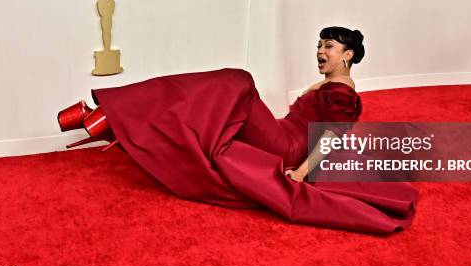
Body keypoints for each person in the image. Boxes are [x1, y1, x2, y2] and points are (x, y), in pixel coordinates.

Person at [57, 27, 419, 234]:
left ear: (349, 55)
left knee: (238, 81)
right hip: (281, 132)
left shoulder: (342, 95)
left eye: (329, 46)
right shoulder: (329, 87)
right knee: (214, 106)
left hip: (288, 147)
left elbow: (331, 138)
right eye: (319, 45)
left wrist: (301, 173)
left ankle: (112, 115)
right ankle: (114, 118)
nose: (320, 52)